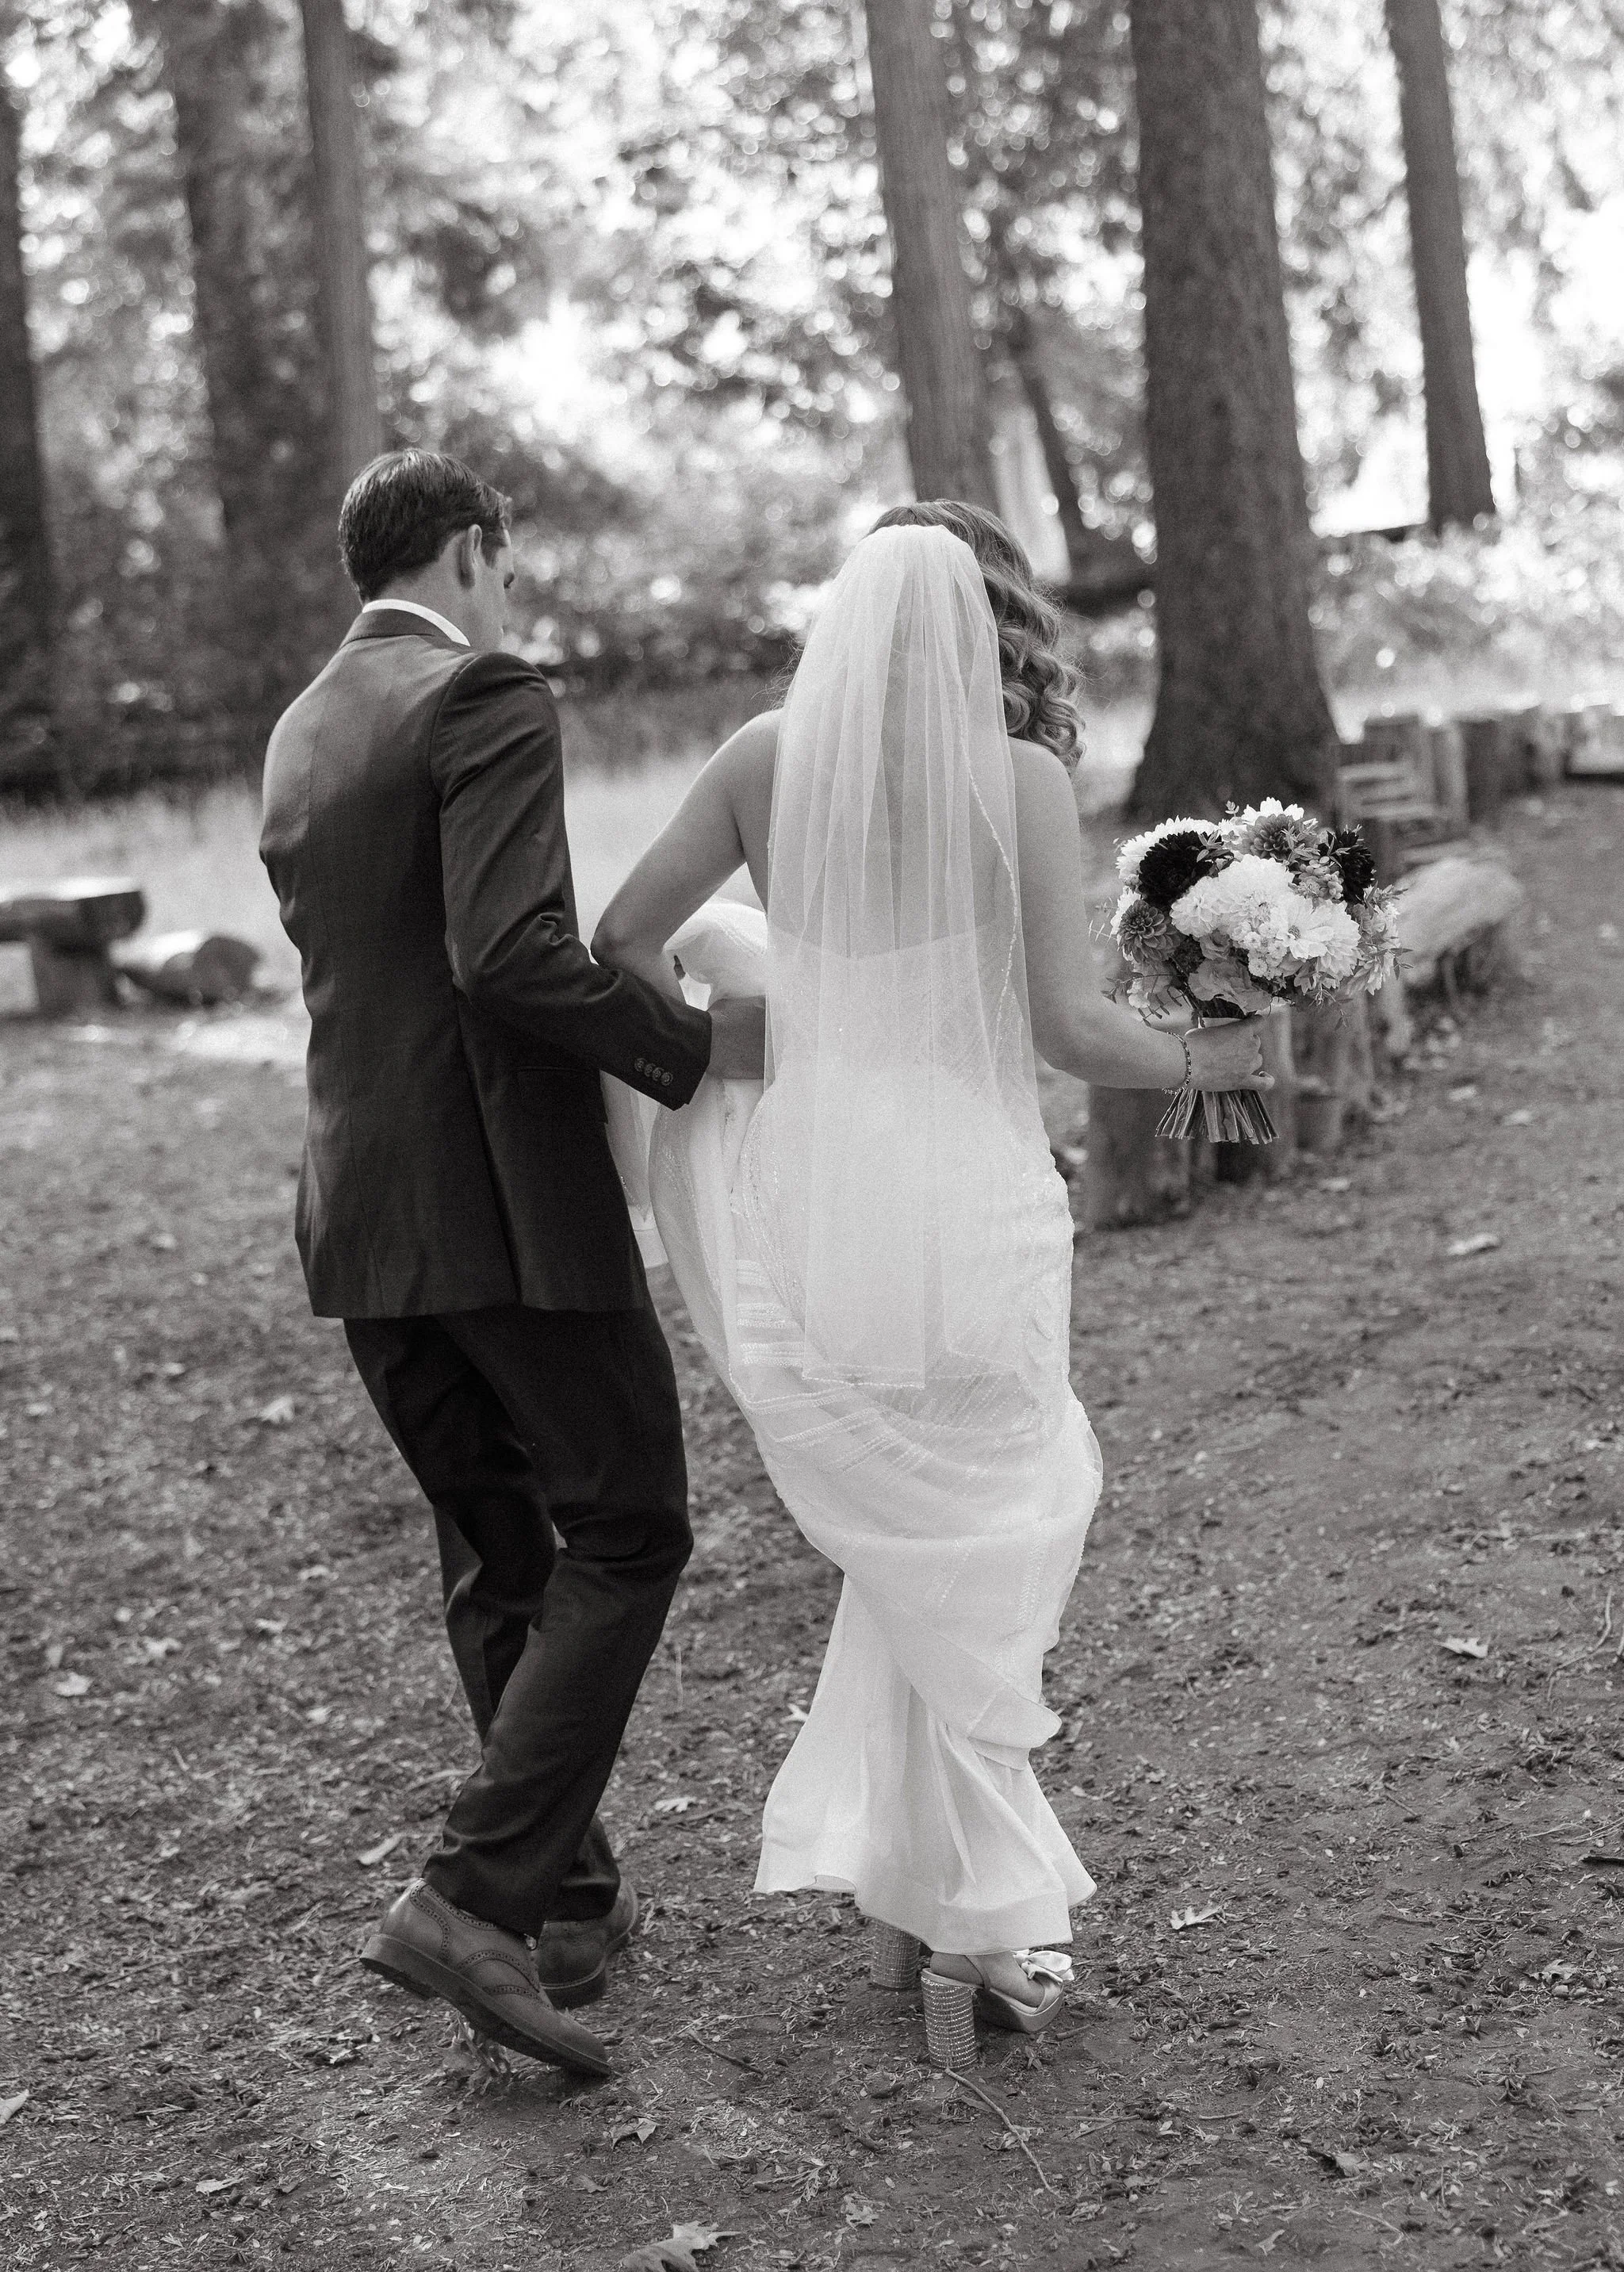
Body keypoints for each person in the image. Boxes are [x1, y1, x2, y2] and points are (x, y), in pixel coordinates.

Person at [591, 502, 1270, 2063]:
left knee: (911, 1556)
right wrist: (1206, 1057)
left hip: (820, 1209)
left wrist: (732, 1052)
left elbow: (622, 935)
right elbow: (1063, 1027)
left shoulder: (762, 760)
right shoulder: (1014, 775)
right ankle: (990, 1924)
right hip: (965, 1208)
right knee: (980, 1548)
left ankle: (904, 1906)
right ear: (978, 628)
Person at [259, 448, 765, 2075]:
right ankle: (477, 1897)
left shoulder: (303, 727)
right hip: (501, 1211)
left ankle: (562, 1904)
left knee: (496, 1551)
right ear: (474, 548)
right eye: (509, 558)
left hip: (357, 1206)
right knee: (629, 1521)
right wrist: (696, 1045)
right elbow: (507, 956)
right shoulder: (482, 693)